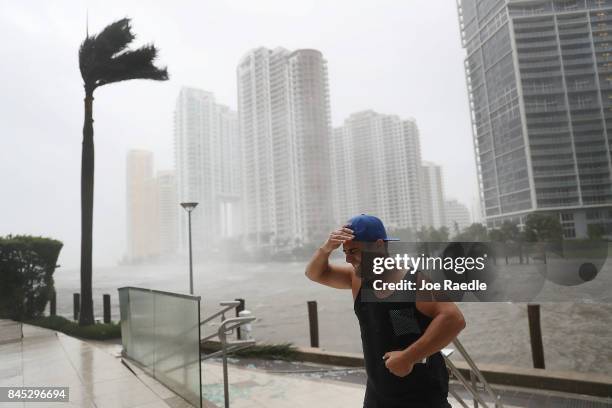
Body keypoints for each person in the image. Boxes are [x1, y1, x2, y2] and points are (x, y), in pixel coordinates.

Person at [305, 214, 466, 408]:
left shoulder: (413, 282)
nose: (348, 259)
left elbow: (453, 318)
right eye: (345, 252)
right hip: (377, 394)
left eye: (354, 251)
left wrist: (408, 357)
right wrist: (326, 248)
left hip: (421, 396)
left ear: (379, 245)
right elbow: (314, 273)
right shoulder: (357, 279)